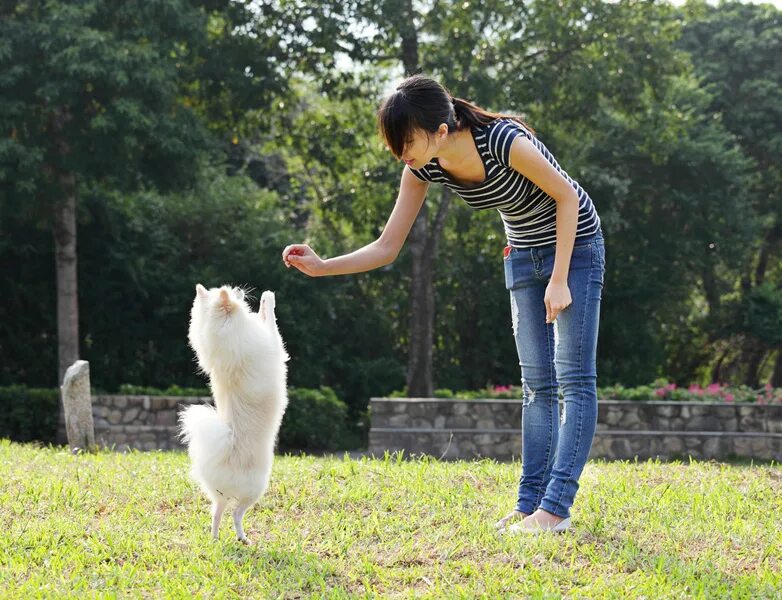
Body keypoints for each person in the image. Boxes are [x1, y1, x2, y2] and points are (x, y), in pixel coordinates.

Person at [282, 75, 606, 534]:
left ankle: (554, 510)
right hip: (521, 255)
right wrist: (323, 266)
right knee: (536, 384)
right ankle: (528, 504)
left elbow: (567, 196)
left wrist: (559, 280)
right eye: (395, 143)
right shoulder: (423, 166)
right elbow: (387, 246)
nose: (401, 153)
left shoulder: (503, 141)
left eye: (406, 140)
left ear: (438, 130)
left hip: (575, 248)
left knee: (573, 378)